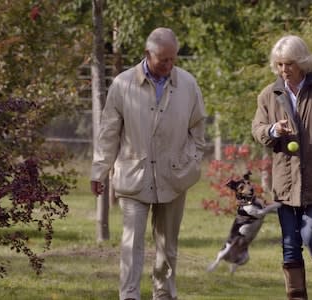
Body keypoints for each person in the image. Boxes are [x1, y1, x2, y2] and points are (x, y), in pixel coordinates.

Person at [90, 27, 206, 300]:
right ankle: (129, 295)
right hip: (133, 175)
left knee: (168, 246)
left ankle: (164, 294)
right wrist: (100, 170)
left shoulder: (188, 84)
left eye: (173, 59)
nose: (168, 65)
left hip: (174, 176)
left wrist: (191, 162)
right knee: (131, 242)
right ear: (147, 54)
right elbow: (108, 132)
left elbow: (198, 130)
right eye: (163, 59)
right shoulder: (122, 84)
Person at [251, 35, 312, 300]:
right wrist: (273, 129)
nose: (285, 70)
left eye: (290, 64)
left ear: (303, 62)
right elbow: (258, 130)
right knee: (290, 245)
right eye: (280, 64)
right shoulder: (269, 95)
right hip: (285, 182)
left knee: (311, 234)